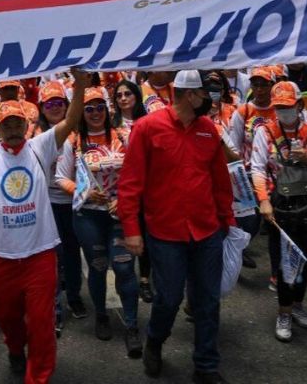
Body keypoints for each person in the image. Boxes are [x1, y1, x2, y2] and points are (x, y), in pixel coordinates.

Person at [0, 67, 89, 384]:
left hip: (39, 256)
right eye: (6, 125)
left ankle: (38, 376)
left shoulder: (40, 147)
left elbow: (70, 121)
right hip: (0, 258)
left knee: (41, 324)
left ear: (26, 125)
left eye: (17, 123)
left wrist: (79, 87)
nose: (12, 129)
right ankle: (14, 348)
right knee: (9, 320)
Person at [118, 69, 234, 384]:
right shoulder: (147, 128)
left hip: (207, 230)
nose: (210, 99)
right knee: (168, 298)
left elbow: (220, 181)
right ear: (189, 94)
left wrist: (227, 221)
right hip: (166, 233)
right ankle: (155, 341)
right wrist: (131, 229)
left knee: (207, 301)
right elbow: (130, 183)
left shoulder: (208, 130)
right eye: (204, 93)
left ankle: (206, 365)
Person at [250, 82, 307, 343]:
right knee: (284, 260)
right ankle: (284, 311)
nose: (283, 111)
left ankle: (298, 304)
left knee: (304, 257)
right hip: (279, 202)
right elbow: (257, 167)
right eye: (278, 107)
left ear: (299, 105)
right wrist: (263, 200)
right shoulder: (265, 131)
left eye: (287, 106)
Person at [57, 133, 142, 356]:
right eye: (89, 112)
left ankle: (132, 325)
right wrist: (84, 192)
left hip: (119, 213)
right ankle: (101, 316)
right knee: (98, 266)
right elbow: (60, 177)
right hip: (88, 215)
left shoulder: (123, 136)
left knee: (124, 267)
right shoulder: (73, 140)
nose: (95, 115)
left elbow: (140, 172)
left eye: (100, 111)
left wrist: (124, 198)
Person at [31, 80, 87, 332]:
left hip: (75, 202)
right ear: (42, 108)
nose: (55, 107)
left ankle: (74, 296)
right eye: (49, 104)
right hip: (47, 203)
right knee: (51, 256)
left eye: (59, 102)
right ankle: (53, 305)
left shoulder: (79, 131)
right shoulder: (34, 135)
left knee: (73, 252)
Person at [227, 66, 277, 270]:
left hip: (276, 175)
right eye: (255, 84)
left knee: (274, 221)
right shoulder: (243, 111)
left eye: (264, 85)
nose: (260, 89)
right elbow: (234, 145)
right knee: (250, 220)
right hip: (248, 175)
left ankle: (277, 268)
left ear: (272, 86)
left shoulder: (280, 108)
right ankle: (236, 251)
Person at [111, 79, 154, 304]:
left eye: (127, 94)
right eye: (119, 95)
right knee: (124, 237)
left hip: (147, 187)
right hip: (120, 189)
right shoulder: (111, 124)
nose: (123, 98)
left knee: (145, 235)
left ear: (137, 96)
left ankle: (145, 279)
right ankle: (125, 278)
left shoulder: (148, 122)